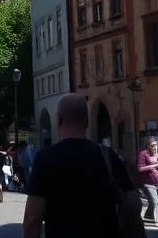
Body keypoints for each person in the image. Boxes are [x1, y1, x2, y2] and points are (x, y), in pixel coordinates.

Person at [23, 94, 134, 238]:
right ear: (87, 122)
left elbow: (33, 218)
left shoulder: (45, 159)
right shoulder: (107, 156)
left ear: (59, 120)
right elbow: (130, 203)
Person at [138, 138, 158, 228]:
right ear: (148, 145)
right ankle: (156, 221)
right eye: (152, 145)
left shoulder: (157, 154)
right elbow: (140, 168)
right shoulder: (143, 154)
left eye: (156, 145)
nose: (154, 147)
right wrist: (154, 165)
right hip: (149, 183)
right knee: (155, 202)